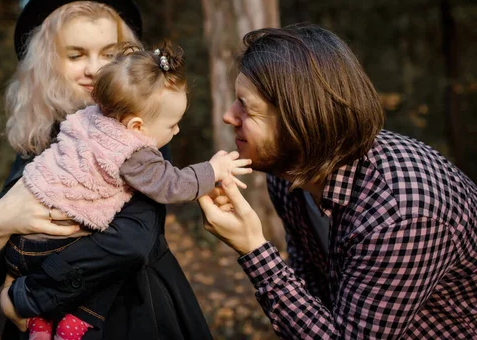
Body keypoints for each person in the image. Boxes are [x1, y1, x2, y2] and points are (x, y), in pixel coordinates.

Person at [0, 0, 214, 340]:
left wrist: (25, 295)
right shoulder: (41, 136)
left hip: (125, 315)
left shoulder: (140, 135)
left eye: (109, 54)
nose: (94, 69)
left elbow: (131, 242)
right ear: (49, 63)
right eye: (76, 55)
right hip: (36, 319)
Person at [198, 24, 477, 339]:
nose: (228, 115)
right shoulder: (288, 178)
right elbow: (313, 291)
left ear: (300, 121)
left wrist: (253, 249)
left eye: (245, 107)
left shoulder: (401, 214)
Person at [9, 42, 251, 340]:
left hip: (28, 241)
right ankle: (73, 326)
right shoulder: (131, 151)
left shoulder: (92, 118)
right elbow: (170, 185)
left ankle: (41, 325)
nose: (176, 132)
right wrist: (212, 170)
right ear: (136, 125)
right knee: (110, 267)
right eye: (173, 124)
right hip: (59, 242)